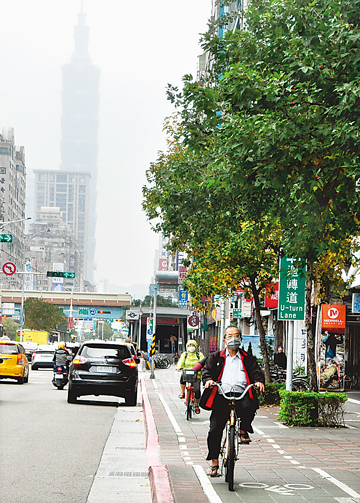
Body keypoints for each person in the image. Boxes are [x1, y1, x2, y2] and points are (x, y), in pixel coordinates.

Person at [202, 326, 265, 477]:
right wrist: (209, 380)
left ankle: (243, 429)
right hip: (221, 396)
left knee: (250, 406)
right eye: (230, 336)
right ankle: (214, 462)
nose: (233, 339)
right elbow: (206, 371)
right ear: (224, 340)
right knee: (214, 429)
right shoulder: (215, 357)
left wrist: (258, 382)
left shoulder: (248, 358)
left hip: (241, 394)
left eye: (237, 335)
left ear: (241, 339)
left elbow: (257, 372)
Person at [176, 340, 205, 414]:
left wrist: (203, 369)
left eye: (193, 346)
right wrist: (179, 367)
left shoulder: (199, 355)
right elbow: (181, 361)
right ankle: (182, 393)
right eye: (189, 346)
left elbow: (203, 362)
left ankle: (196, 405)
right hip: (186, 373)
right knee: (182, 378)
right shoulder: (184, 354)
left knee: (197, 390)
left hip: (196, 375)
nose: (191, 347)